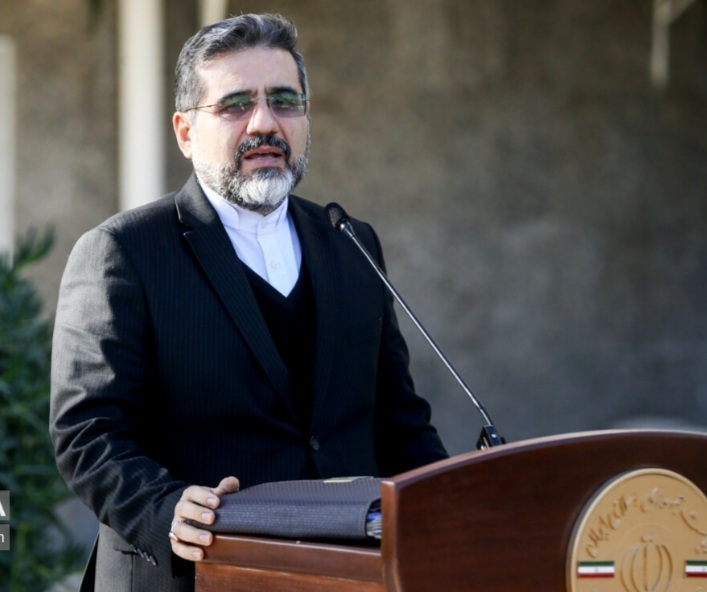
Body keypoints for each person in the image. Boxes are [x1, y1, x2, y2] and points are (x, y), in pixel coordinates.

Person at [49, 13, 448, 592]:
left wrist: (455, 506)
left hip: (348, 574)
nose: (265, 123)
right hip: (190, 576)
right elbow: (88, 431)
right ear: (185, 132)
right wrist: (165, 508)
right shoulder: (123, 252)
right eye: (236, 105)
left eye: (284, 101)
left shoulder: (350, 243)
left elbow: (399, 421)